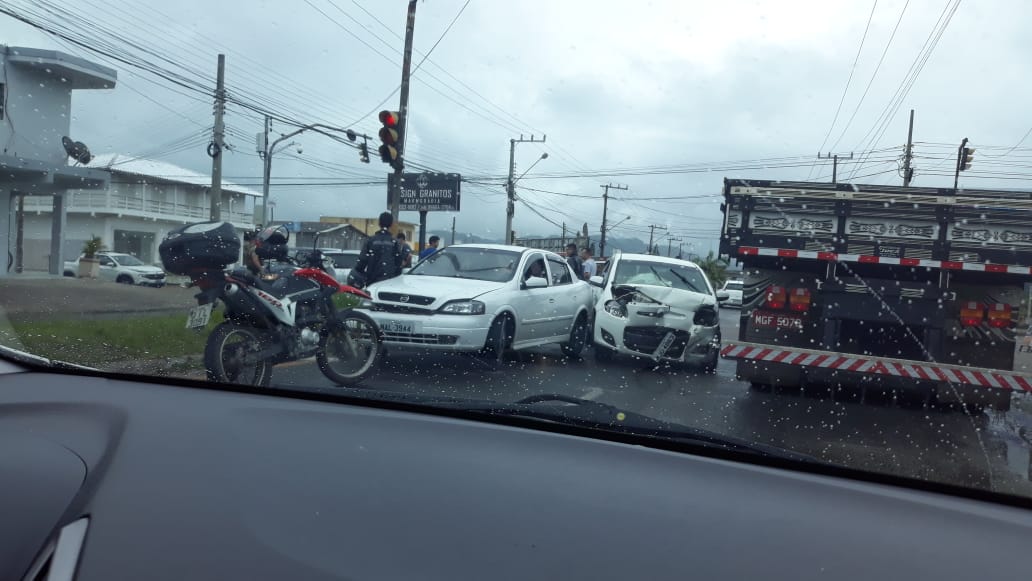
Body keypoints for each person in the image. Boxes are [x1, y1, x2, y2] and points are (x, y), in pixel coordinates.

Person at [352, 212, 405, 287]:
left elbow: (362, 262)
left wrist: (361, 273)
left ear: (379, 223)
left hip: (372, 281)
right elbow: (399, 263)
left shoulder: (371, 240)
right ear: (391, 224)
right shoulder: (394, 242)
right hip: (390, 282)